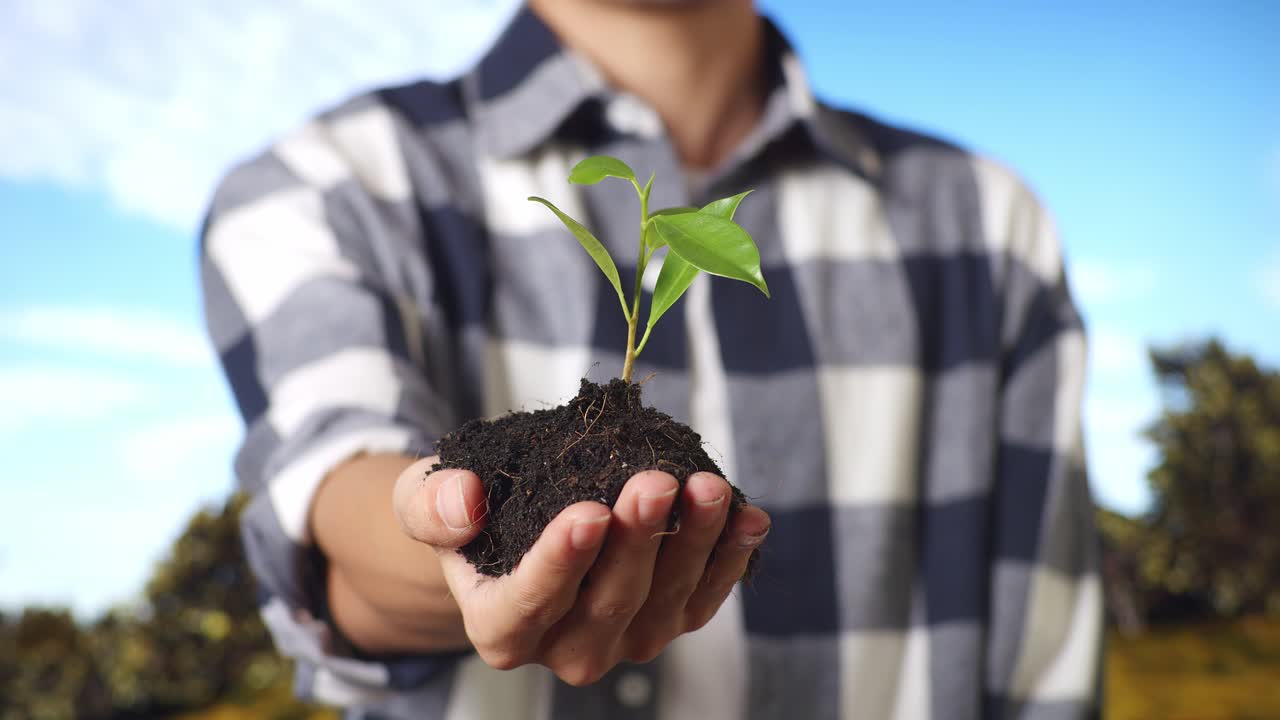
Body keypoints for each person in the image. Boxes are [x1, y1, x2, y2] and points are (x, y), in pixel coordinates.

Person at [200, 1, 1102, 718]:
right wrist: (451, 532)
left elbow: (1043, 655)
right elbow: (338, 482)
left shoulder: (986, 228)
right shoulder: (326, 187)